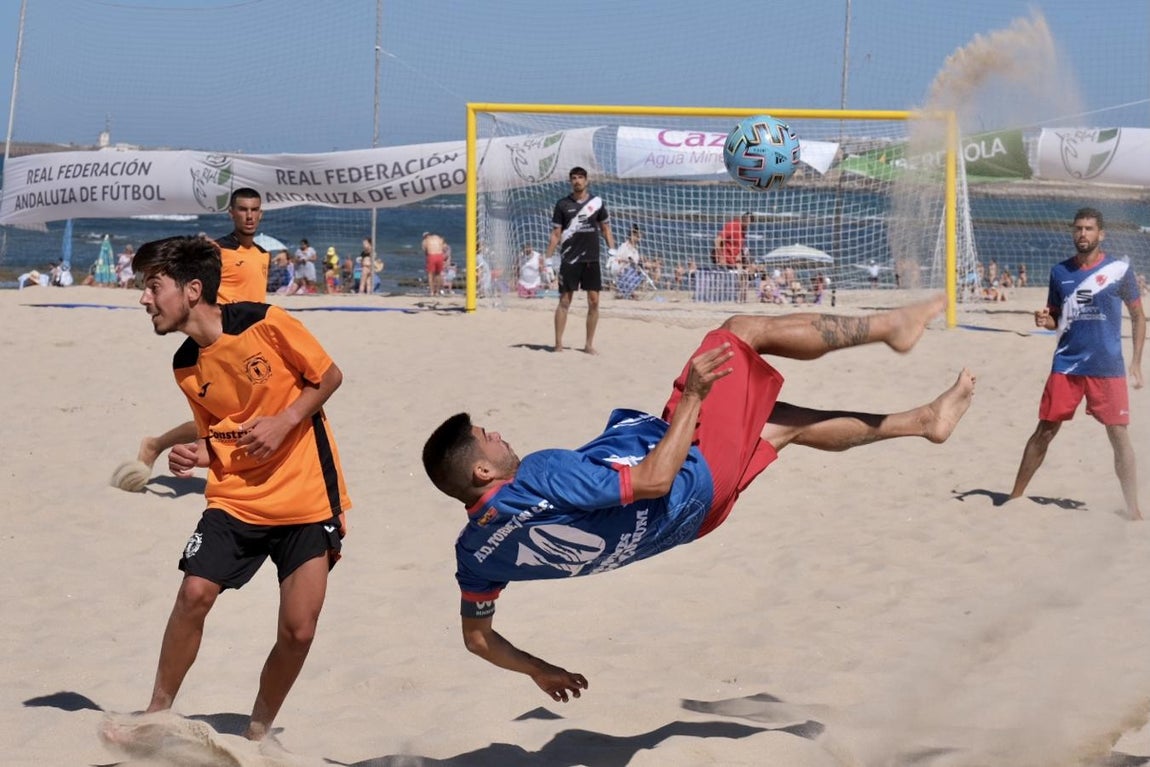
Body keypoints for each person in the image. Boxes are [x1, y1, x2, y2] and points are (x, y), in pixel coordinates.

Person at [422, 295, 973, 702]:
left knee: (781, 426)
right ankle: (891, 327)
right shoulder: (537, 475)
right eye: (487, 435)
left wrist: (538, 669)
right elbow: (653, 481)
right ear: (482, 469)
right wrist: (694, 401)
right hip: (685, 478)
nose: (498, 432)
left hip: (687, 523)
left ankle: (924, 422)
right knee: (740, 331)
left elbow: (478, 639)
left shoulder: (476, 552)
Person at [128, 235, 350, 740]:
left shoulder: (266, 322)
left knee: (299, 630)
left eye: (152, 286)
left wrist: (285, 419)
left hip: (307, 496)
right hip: (236, 498)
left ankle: (258, 732)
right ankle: (157, 711)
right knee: (194, 593)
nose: (143, 299)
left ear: (191, 290)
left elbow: (329, 376)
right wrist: (201, 452)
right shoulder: (185, 365)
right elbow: (216, 433)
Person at [112, 188, 271, 490]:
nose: (249, 216)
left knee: (233, 419)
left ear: (260, 213)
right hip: (219, 344)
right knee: (220, 422)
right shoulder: (216, 251)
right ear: (231, 213)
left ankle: (155, 444)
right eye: (242, 209)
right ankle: (158, 445)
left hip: (253, 342)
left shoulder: (264, 255)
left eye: (254, 210)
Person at [1008, 207, 1145, 519]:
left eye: (1089, 229)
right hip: (1067, 365)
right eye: (1078, 229)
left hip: (1107, 366)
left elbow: (1138, 315)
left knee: (1119, 434)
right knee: (1045, 430)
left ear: (1101, 234)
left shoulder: (1118, 270)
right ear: (1073, 232)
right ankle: (1015, 496)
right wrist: (1045, 319)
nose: (1083, 234)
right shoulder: (1060, 272)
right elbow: (1056, 318)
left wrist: (1136, 361)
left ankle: (1133, 510)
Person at [544, 166, 616, 353]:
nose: (577, 181)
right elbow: (555, 234)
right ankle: (558, 344)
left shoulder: (597, 203)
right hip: (569, 260)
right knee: (565, 301)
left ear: (586, 180)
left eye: (580, 178)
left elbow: (606, 229)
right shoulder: (562, 205)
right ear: (570, 181)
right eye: (574, 178)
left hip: (591, 259)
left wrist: (613, 252)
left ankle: (588, 344)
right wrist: (548, 260)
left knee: (593, 301)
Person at [422, 232, 448, 297]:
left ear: (425, 236)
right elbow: (445, 247)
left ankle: (431, 292)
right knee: (438, 274)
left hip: (431, 256)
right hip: (439, 255)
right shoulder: (438, 238)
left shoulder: (425, 241)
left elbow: (425, 251)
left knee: (430, 274)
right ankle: (437, 291)